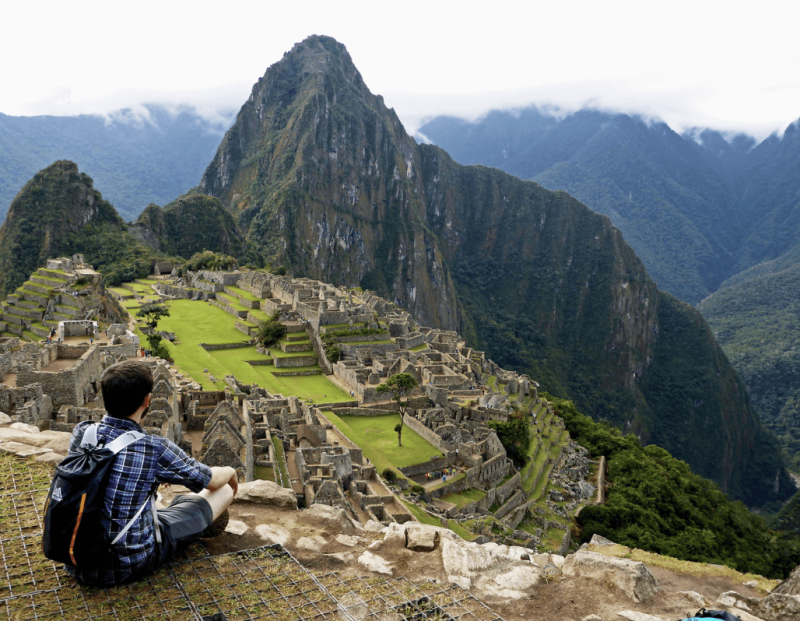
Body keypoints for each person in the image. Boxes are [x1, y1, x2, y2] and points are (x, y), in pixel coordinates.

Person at [62, 360, 237, 587]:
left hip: (76, 558)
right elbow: (212, 481)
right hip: (126, 562)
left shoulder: (83, 433)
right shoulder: (153, 448)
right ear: (147, 400)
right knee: (222, 491)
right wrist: (231, 470)